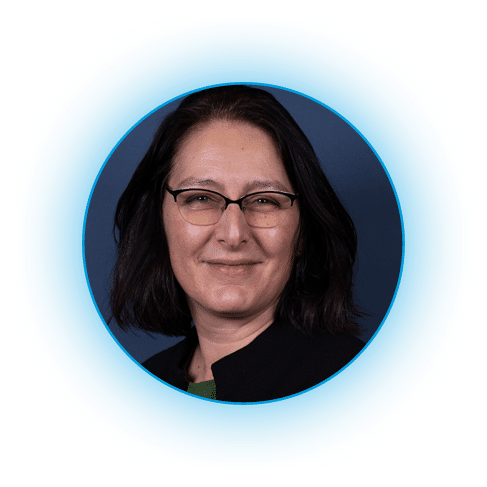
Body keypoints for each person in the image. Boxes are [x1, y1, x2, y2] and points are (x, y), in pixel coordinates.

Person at [110, 85, 364, 402]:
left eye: (265, 200)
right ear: (159, 222)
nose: (233, 235)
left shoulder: (353, 379)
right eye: (200, 198)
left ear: (302, 233)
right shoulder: (141, 385)